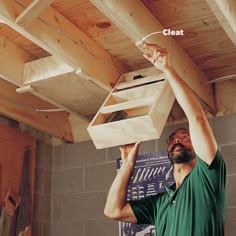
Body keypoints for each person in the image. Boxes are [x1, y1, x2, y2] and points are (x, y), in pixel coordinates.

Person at [104, 43, 226, 236]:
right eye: (172, 139)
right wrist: (127, 164)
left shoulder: (207, 178)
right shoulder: (160, 202)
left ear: (198, 144)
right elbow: (113, 210)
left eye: (185, 137)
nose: (177, 140)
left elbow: (197, 118)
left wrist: (167, 69)